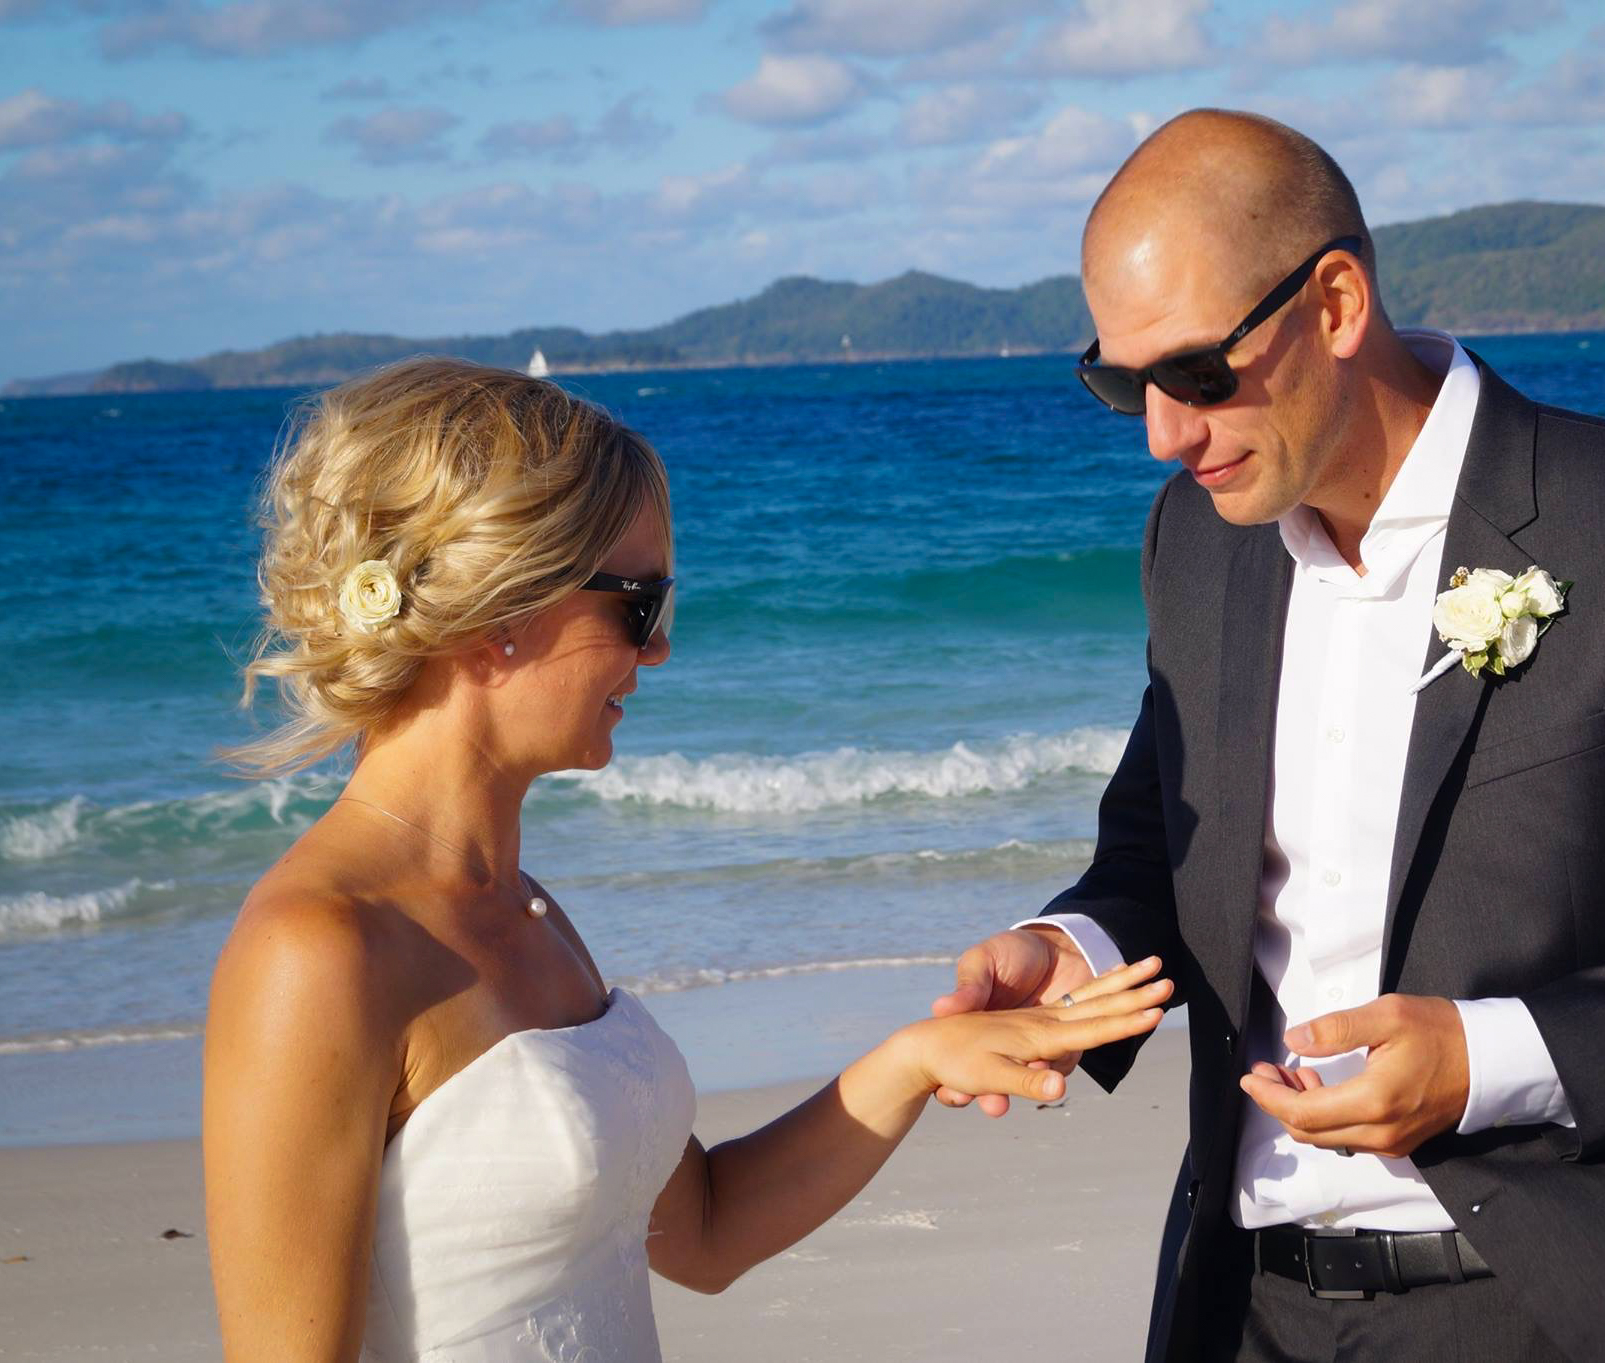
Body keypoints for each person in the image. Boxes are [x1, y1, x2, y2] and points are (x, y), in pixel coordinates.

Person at [932, 110, 1605, 1363]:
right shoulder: (1193, 544)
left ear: (1334, 302)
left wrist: (1485, 1057)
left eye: (1192, 374)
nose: (1161, 435)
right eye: (1119, 383)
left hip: (1545, 1313)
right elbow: (1162, 854)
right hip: (1239, 1311)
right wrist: (1073, 947)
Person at [202, 357, 1171, 1362]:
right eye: (639, 605)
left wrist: (914, 1061)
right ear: (497, 617)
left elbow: (704, 1230)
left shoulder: (521, 908)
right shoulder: (317, 952)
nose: (658, 650)